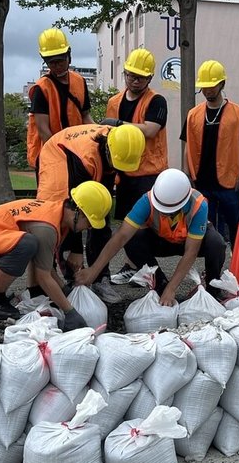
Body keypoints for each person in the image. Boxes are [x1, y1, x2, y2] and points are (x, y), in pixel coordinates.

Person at [0, 181, 113, 330]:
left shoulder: (57, 214)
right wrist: (70, 312)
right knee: (27, 243)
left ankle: (32, 292)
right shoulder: (47, 228)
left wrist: (64, 290)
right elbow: (43, 276)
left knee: (31, 244)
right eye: (89, 222)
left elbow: (43, 262)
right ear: (78, 212)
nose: (88, 228)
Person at [75, 169, 227, 307]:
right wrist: (94, 270)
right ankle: (160, 285)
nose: (164, 213)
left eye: (169, 211)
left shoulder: (198, 204)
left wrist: (173, 288)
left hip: (190, 242)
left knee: (216, 244)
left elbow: (191, 252)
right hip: (161, 241)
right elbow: (121, 236)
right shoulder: (147, 201)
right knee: (133, 240)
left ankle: (213, 290)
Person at [36, 123, 146, 302]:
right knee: (60, 215)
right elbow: (75, 209)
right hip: (59, 155)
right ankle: (68, 280)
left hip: (91, 158)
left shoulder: (124, 143)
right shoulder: (84, 158)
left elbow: (99, 210)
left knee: (100, 213)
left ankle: (100, 278)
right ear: (108, 150)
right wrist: (76, 249)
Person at [104, 49, 169, 285]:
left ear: (149, 78)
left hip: (149, 173)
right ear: (125, 73)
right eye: (131, 75)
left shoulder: (156, 101)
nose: (135, 80)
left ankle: (147, 270)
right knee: (126, 222)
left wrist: (120, 124)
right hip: (124, 173)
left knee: (143, 223)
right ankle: (133, 266)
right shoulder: (114, 102)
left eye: (140, 77)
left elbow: (151, 129)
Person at [181, 60, 239, 248]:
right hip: (202, 184)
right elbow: (187, 145)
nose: (207, 91)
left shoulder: (237, 112)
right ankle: (212, 271)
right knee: (209, 233)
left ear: (222, 84)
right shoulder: (193, 115)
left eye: (211, 86)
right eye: (204, 87)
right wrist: (186, 175)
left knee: (237, 227)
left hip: (230, 184)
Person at [26, 28, 93, 174]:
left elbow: (85, 116)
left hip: (77, 151)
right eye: (52, 62)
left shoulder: (80, 81)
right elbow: (44, 130)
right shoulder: (41, 88)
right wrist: (62, 156)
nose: (57, 66)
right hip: (49, 157)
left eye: (61, 60)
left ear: (69, 55)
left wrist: (98, 134)